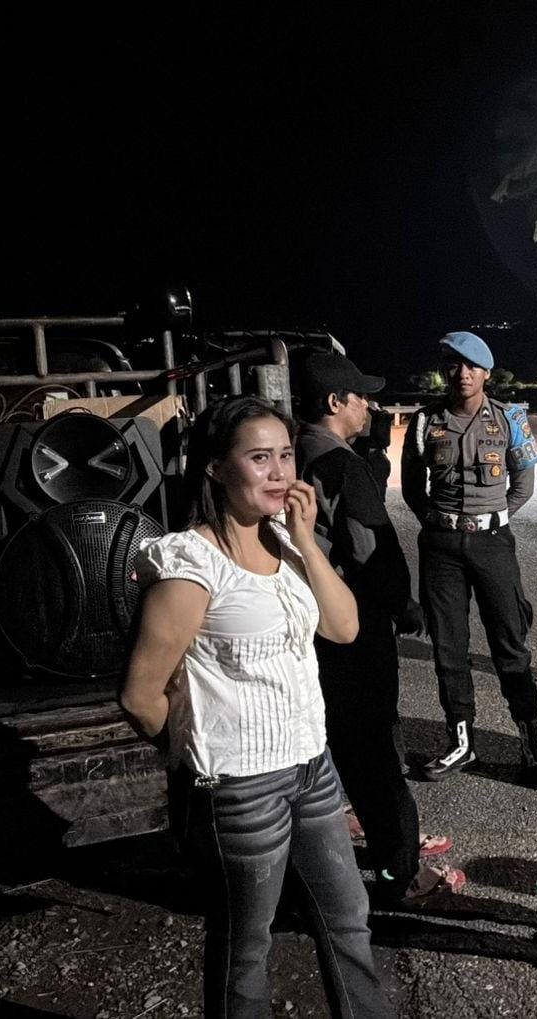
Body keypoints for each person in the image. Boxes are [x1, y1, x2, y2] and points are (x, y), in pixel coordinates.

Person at [120, 396, 393, 1019]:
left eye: (287, 456)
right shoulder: (190, 564)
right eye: (259, 458)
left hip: (312, 767)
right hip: (239, 787)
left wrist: (306, 541)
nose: (279, 473)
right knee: (247, 943)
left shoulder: (288, 545)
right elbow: (139, 694)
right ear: (216, 467)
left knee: (348, 917)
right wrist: (196, 750)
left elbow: (344, 627)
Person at [295, 350, 464, 906]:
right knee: (374, 751)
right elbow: (370, 553)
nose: (369, 407)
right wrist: (403, 605)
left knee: (336, 741)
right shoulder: (342, 465)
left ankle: (351, 834)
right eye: (360, 397)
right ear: (334, 401)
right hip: (354, 623)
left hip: (307, 624)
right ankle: (400, 872)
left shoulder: (289, 452)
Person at [400, 331, 537, 782]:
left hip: (492, 544)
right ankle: (461, 741)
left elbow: (523, 484)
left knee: (510, 643)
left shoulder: (509, 419)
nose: (462, 374)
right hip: (442, 546)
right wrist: (438, 521)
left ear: (486, 373)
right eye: (454, 365)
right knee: (448, 646)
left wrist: (494, 519)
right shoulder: (425, 421)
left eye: (471, 366)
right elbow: (412, 487)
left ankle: (531, 740)